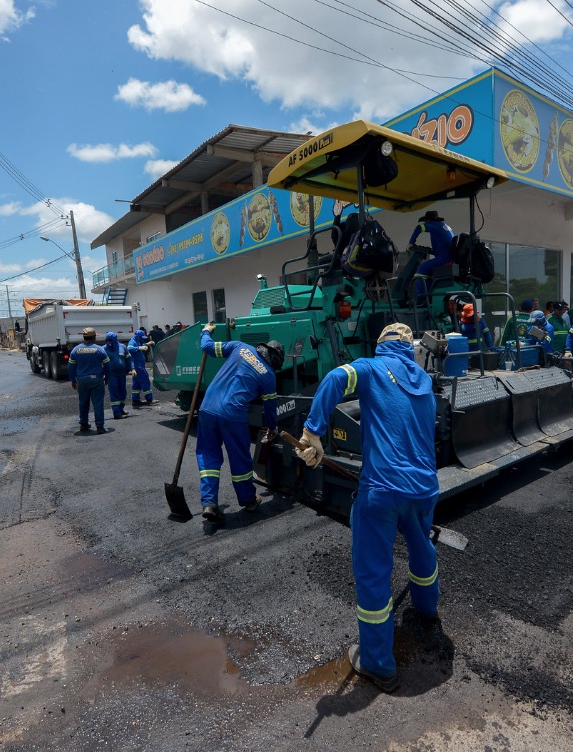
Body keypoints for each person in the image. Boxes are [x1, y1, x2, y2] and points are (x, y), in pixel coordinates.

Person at [294, 323, 439, 693]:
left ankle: (377, 664)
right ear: (410, 349)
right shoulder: (424, 382)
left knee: (374, 573)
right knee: (423, 551)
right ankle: (426, 610)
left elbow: (336, 377)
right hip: (424, 488)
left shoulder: (373, 368)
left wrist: (312, 431)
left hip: (383, 490)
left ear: (381, 347)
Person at [196, 323, 284, 521]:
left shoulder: (239, 347)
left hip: (207, 408)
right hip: (233, 415)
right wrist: (272, 428)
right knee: (239, 458)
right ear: (275, 360)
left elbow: (208, 347)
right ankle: (248, 499)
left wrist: (206, 331)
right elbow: (270, 409)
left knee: (208, 455)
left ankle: (209, 503)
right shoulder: (268, 375)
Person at [68, 327, 110, 435]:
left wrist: (73, 380)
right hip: (97, 379)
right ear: (94, 337)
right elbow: (107, 365)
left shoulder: (75, 350)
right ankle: (100, 427)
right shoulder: (100, 349)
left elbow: (71, 367)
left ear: (83, 337)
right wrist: (107, 377)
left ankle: (83, 424)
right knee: (98, 403)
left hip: (82, 380)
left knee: (83, 403)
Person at [408, 210, 454, 301]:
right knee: (429, 270)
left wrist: (411, 244)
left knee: (422, 268)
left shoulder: (434, 225)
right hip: (448, 256)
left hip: (445, 258)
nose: (425, 223)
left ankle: (420, 299)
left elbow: (419, 227)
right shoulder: (444, 226)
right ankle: (428, 298)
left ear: (429, 220)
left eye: (425, 221)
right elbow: (443, 246)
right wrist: (430, 251)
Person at [102, 331, 132, 420]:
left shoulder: (122, 347)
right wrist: (103, 374)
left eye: (111, 340)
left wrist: (130, 368)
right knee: (114, 392)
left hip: (122, 374)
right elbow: (100, 363)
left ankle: (121, 409)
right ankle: (116, 413)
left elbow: (128, 358)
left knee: (123, 392)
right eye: (107, 340)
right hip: (111, 375)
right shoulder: (104, 349)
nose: (109, 343)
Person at [128, 327, 154, 407]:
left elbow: (141, 345)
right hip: (138, 367)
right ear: (137, 336)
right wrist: (139, 348)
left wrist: (147, 344)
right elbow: (129, 348)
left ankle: (135, 400)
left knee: (137, 384)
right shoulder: (132, 341)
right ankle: (149, 399)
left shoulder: (138, 341)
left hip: (138, 367)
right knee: (145, 381)